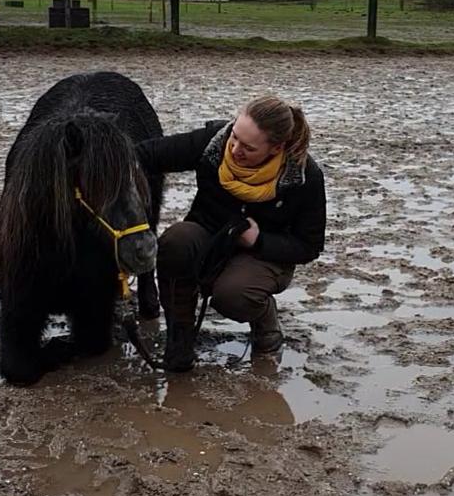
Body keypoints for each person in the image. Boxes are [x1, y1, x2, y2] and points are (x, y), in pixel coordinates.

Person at [136, 95, 327, 372]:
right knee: (175, 242)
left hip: (263, 256)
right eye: (235, 136)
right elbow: (145, 155)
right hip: (209, 236)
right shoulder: (214, 143)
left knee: (232, 295)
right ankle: (180, 338)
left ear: (277, 148)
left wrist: (259, 240)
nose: (235, 149)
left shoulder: (305, 177)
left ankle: (265, 321)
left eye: (248, 148)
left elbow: (309, 245)